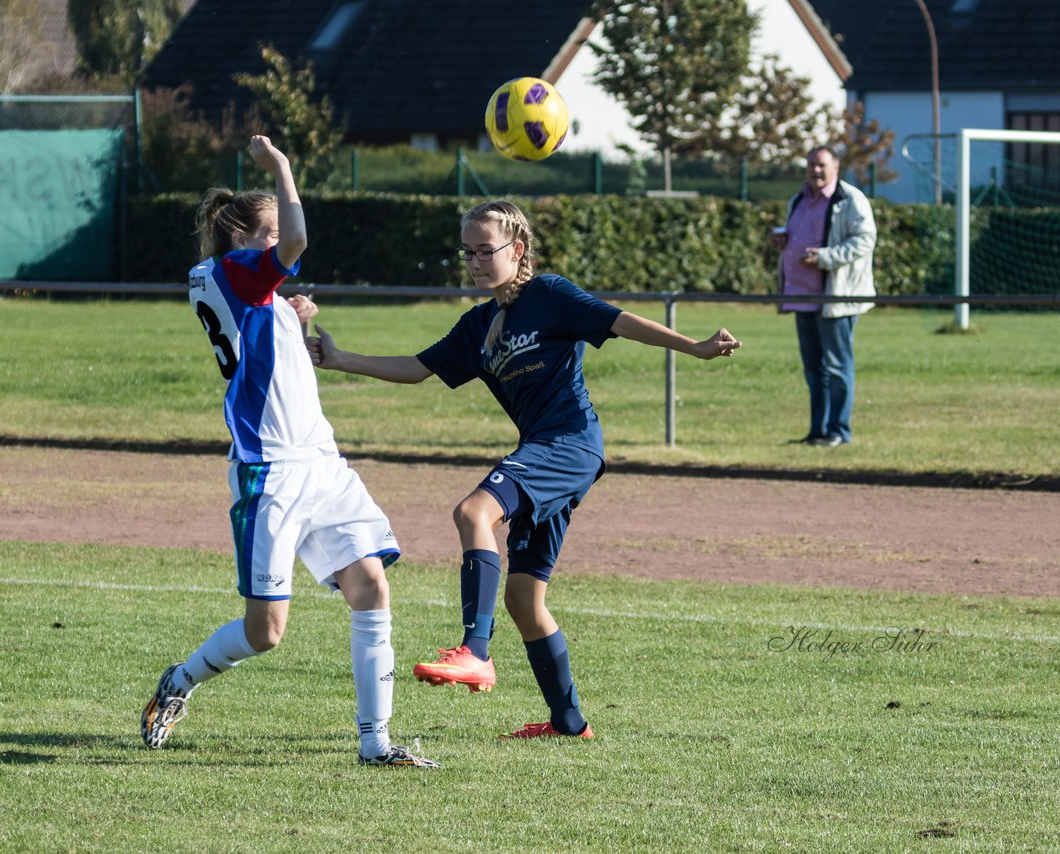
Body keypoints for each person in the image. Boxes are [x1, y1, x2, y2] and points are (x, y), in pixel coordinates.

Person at [306, 200, 740, 739]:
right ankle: (568, 722)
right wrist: (341, 358)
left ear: (518, 249)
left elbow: (620, 322)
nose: (475, 262)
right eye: (467, 252)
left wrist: (695, 348)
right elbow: (418, 368)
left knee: (473, 512)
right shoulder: (479, 325)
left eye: (486, 250)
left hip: (571, 445)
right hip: (545, 448)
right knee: (524, 599)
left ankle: (475, 652)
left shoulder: (550, 295)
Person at [140, 135, 439, 768]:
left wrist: (293, 316)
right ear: (243, 240)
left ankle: (375, 744)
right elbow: (296, 245)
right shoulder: (232, 274)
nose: (281, 243)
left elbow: (270, 343)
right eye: (269, 230)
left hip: (323, 466)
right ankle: (180, 680)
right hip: (269, 474)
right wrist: (281, 166)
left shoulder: (251, 287)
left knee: (371, 588)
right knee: (265, 633)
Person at [774, 144, 877, 448]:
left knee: (836, 367)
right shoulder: (799, 198)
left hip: (835, 299)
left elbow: (864, 240)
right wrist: (783, 240)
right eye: (810, 165)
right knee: (813, 368)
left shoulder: (851, 200)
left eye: (821, 165)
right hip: (801, 297)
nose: (815, 171)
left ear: (836, 166)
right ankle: (817, 431)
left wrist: (825, 257)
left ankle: (838, 431)